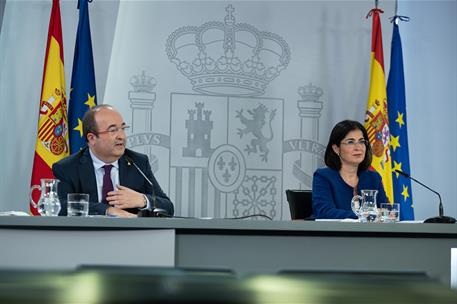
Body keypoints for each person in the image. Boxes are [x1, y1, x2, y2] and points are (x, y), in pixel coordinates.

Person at [52, 104, 174, 218]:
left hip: (130, 237)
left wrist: (142, 200)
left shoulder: (138, 163)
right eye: (113, 130)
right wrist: (108, 210)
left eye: (122, 128)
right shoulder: (67, 168)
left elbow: (168, 207)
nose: (121, 136)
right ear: (92, 138)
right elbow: (61, 207)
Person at [312, 120, 388, 219]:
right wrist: (365, 216)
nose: (358, 147)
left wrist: (383, 213)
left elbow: (385, 210)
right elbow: (324, 212)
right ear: (336, 148)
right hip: (335, 233)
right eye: (350, 142)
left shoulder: (373, 178)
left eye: (361, 141)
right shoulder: (324, 176)